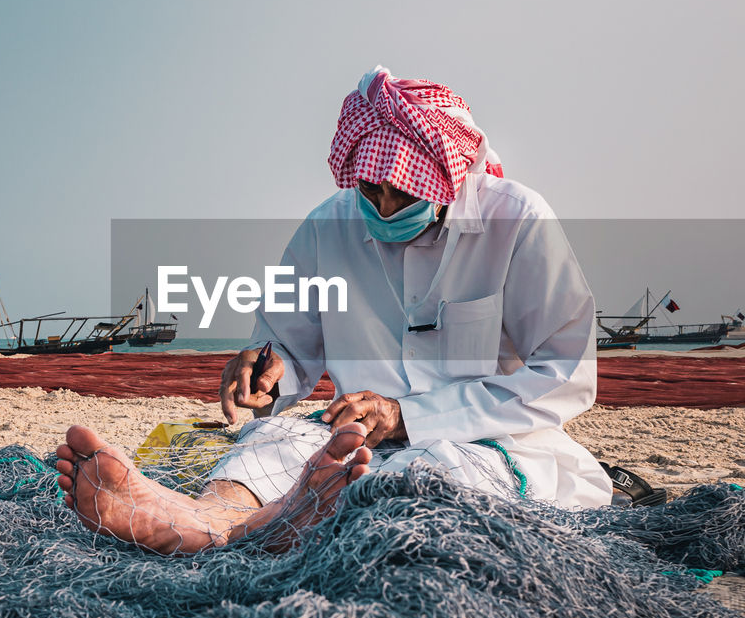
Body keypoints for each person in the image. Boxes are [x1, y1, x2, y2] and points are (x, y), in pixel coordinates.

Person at [56, 66, 611, 555]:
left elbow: (565, 375)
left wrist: (408, 417)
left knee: (428, 482)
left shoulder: (516, 220)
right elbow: (288, 345)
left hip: (487, 442)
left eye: (403, 192)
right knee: (268, 443)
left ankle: (253, 525)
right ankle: (205, 521)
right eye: (372, 189)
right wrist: (268, 376)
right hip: (349, 438)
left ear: (448, 177)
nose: (385, 208)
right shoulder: (329, 225)